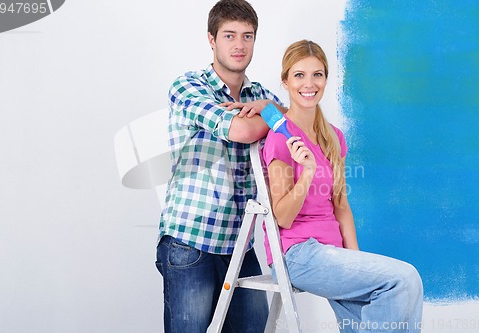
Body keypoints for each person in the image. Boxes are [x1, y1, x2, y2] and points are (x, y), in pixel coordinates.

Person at [263, 40, 423, 333]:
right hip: (299, 254)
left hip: (333, 253)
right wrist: (307, 172)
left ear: (325, 79)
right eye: (299, 75)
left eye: (317, 74)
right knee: (404, 278)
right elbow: (282, 217)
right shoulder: (280, 139)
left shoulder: (334, 136)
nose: (309, 83)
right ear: (285, 81)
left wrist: (357, 261)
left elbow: (341, 207)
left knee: (372, 312)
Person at [155, 1, 286, 332]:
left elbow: (299, 126)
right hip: (191, 239)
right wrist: (274, 114)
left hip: (240, 244)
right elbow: (241, 131)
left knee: (255, 326)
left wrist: (272, 108)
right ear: (212, 39)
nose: (239, 45)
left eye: (247, 36)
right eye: (229, 35)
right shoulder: (189, 86)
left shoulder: (259, 94)